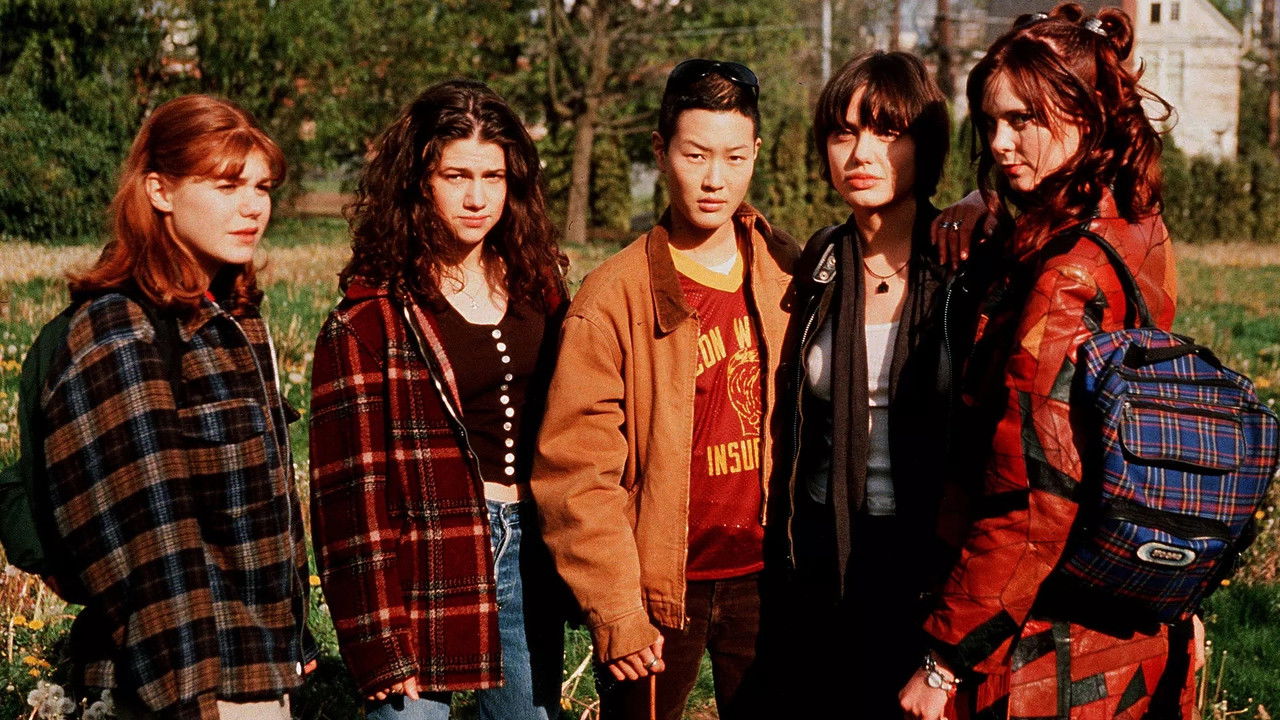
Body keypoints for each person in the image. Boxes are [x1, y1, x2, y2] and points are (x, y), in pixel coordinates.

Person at [899, 4, 1195, 719]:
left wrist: (944, 663)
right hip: (1131, 616)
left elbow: (1033, 498)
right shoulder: (1136, 224)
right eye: (990, 122)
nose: (1000, 143)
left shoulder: (1064, 280)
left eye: (1023, 120)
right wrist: (987, 208)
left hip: (1046, 652)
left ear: (1085, 116)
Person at [532, 59, 798, 720]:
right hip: (656, 591)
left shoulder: (790, 272)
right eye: (695, 155)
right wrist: (617, 609)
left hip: (769, 582)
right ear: (660, 151)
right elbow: (577, 472)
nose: (715, 179)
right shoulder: (612, 297)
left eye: (734, 157)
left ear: (755, 152)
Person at [40, 94, 309, 720]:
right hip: (188, 684)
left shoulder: (231, 315)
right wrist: (194, 703)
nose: (253, 207)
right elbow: (151, 543)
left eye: (262, 187)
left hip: (258, 669)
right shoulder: (123, 329)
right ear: (159, 191)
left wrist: (293, 644)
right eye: (226, 186)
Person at [309, 80, 569, 720]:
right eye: (456, 176)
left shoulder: (539, 286)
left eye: (493, 176)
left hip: (531, 549)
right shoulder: (371, 318)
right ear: (418, 181)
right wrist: (376, 643)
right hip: (428, 558)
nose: (477, 198)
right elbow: (349, 501)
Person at [775, 50, 955, 718]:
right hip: (828, 553)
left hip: (930, 559)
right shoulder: (820, 261)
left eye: (887, 131)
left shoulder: (962, 263)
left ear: (924, 144)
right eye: (842, 132)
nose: (861, 153)